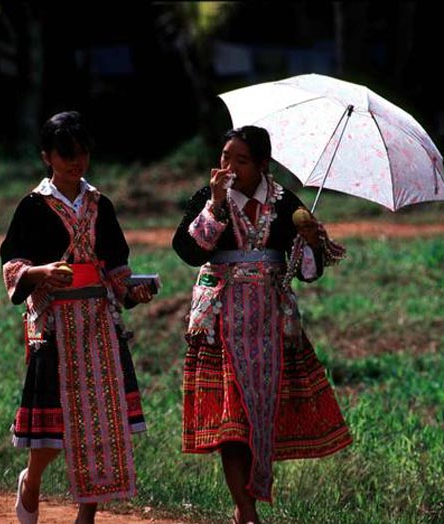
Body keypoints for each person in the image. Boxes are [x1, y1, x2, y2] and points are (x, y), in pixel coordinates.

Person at [172, 125, 352, 524]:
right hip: (221, 322)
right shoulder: (208, 197)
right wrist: (216, 206)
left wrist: (310, 240)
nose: (229, 167)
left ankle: (246, 505)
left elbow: (308, 273)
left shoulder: (286, 202)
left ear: (262, 165)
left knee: (258, 419)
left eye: (240, 160)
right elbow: (186, 249)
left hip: (270, 324)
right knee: (231, 425)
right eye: (224, 158)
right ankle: (247, 511)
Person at [0, 111, 154, 524]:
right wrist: (40, 273)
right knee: (52, 432)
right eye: (65, 153)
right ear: (47, 156)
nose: (75, 161)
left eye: (81, 152)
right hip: (54, 323)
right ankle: (31, 481)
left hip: (99, 323)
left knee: (103, 424)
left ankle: (86, 517)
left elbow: (116, 265)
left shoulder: (100, 204)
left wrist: (132, 292)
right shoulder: (32, 207)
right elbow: (12, 263)